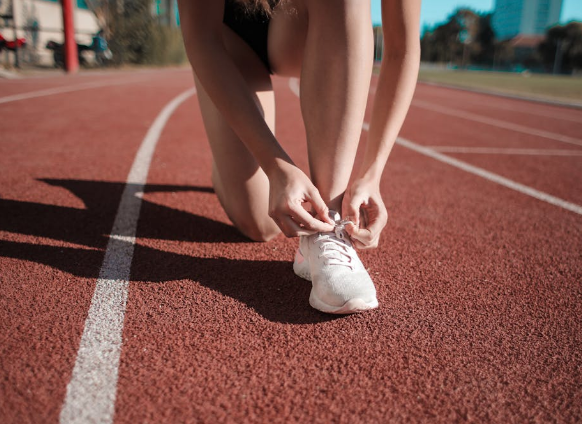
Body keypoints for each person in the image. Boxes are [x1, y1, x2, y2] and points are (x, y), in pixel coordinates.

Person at [177, 0, 421, 314]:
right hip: (229, 34)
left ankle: (328, 224)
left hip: (299, 25)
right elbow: (201, 38)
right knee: (261, 225)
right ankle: (225, 168)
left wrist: (373, 173)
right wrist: (275, 165)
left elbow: (402, 48)